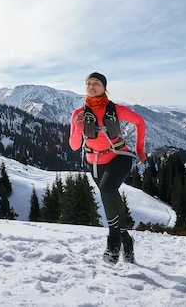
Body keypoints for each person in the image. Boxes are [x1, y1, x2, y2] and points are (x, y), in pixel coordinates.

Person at [69, 72, 147, 264]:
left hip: (120, 157)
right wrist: (78, 125)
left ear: (104, 87)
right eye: (88, 83)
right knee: (110, 198)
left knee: (107, 190)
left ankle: (113, 243)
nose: (91, 86)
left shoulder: (116, 109)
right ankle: (127, 240)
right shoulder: (78, 114)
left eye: (96, 83)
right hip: (95, 162)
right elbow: (74, 145)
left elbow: (139, 122)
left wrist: (139, 150)